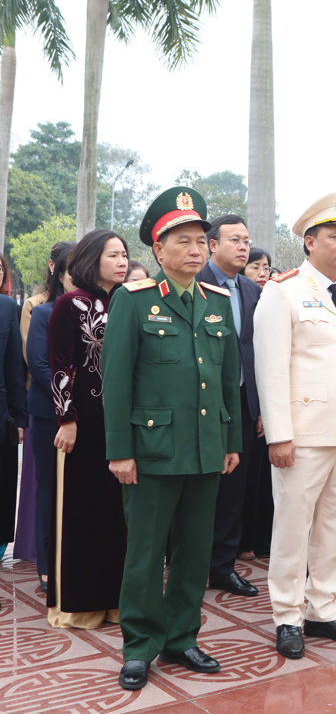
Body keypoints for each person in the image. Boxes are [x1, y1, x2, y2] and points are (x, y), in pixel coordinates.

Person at [103, 187, 241, 690]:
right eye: (182, 241)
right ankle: (139, 646)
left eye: (201, 240)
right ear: (158, 251)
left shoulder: (217, 303)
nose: (195, 250)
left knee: (193, 552)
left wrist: (231, 441)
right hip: (151, 451)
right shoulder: (133, 301)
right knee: (144, 553)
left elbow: (229, 378)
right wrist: (120, 450)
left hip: (206, 449)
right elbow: (116, 381)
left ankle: (183, 636)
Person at [254, 192, 336, 658]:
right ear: (310, 242)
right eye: (335, 236)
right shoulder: (281, 291)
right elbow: (271, 368)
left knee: (334, 526)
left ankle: (325, 608)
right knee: (291, 526)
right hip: (302, 434)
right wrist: (280, 435)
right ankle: (287, 614)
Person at [47, 230, 128, 629]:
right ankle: (77, 604)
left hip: (122, 424)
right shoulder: (70, 304)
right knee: (81, 513)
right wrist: (68, 419)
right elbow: (60, 366)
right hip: (84, 425)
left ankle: (114, 600)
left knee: (117, 514)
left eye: (125, 254)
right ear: (93, 258)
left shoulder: (128, 303)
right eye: (113, 254)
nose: (122, 261)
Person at [196, 214, 262, 598]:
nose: (243, 247)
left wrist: (259, 409)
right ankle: (187, 561)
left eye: (246, 240)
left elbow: (256, 352)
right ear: (212, 245)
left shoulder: (251, 291)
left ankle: (222, 566)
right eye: (234, 240)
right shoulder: (195, 284)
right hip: (202, 401)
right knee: (199, 487)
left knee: (234, 490)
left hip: (241, 401)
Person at [13, 241, 76, 569]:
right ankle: (47, 565)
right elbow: (38, 366)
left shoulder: (106, 312)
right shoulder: (43, 312)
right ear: (60, 275)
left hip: (91, 417)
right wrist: (73, 403)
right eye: (72, 271)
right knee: (49, 490)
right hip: (50, 414)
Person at [239, 246, 273, 560]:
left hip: (262, 403)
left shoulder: (269, 303)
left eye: (266, 268)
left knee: (258, 478)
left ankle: (255, 538)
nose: (262, 274)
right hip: (239, 398)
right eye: (256, 267)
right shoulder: (237, 300)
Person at [0, 254, 25, 563]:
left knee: (4, 481)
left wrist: (19, 416)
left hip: (2, 410)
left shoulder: (8, 308)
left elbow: (14, 366)